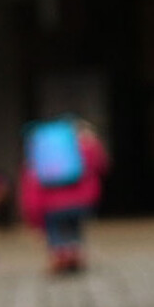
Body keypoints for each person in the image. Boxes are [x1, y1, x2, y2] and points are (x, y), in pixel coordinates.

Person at [18, 117, 110, 274]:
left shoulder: (39, 153)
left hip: (50, 204)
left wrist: (33, 218)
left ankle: (60, 260)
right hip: (81, 201)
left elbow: (30, 187)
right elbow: (102, 166)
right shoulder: (83, 148)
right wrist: (92, 143)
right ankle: (74, 257)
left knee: (55, 234)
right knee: (74, 229)